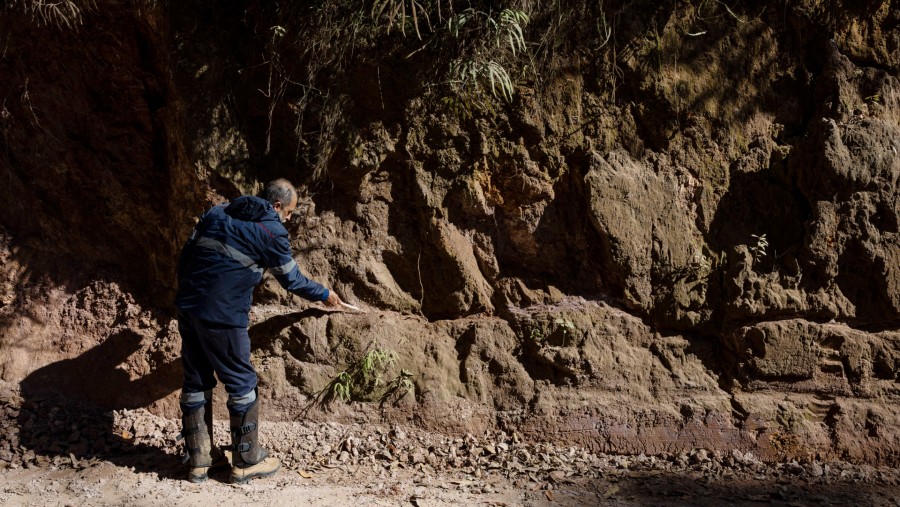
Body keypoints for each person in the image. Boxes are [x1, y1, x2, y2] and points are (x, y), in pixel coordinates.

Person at [174, 178, 342, 484]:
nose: (288, 219)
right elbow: (291, 280)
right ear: (276, 206)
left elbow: (185, 257)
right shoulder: (271, 231)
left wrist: (189, 295)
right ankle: (246, 461)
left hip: (188, 306)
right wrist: (323, 294)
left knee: (196, 379)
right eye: (289, 213)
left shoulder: (218, 211)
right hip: (224, 315)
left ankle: (199, 461)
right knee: (242, 382)